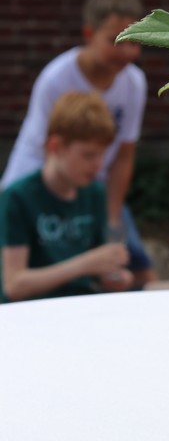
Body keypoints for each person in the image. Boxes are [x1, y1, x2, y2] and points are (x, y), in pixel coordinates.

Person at [0, 0, 155, 284]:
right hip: (46, 183)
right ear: (88, 35)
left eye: (135, 42)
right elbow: (49, 150)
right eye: (116, 41)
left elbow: (124, 156)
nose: (127, 52)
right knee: (42, 265)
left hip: (91, 184)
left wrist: (110, 220)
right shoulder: (56, 78)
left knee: (136, 268)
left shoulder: (134, 83)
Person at [0, 92, 134, 303]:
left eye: (102, 154)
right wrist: (84, 264)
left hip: (82, 306)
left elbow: (98, 271)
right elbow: (14, 285)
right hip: (31, 311)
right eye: (88, 155)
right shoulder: (17, 197)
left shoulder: (95, 194)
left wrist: (114, 276)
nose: (99, 164)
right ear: (55, 146)